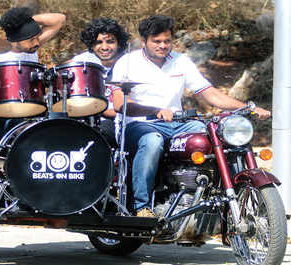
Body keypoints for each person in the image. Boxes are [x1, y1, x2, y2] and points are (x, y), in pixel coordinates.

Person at [111, 15, 271, 217]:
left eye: (167, 41)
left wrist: (249, 107)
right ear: (144, 42)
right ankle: (141, 206)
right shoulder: (127, 63)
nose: (163, 46)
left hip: (178, 124)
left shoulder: (181, 61)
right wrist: (154, 110)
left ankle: (219, 200)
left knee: (213, 137)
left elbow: (210, 94)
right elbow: (119, 104)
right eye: (156, 41)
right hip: (138, 125)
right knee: (152, 142)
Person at [0, 7, 66, 144]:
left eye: (37, 38)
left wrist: (25, 20)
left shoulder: (30, 47)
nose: (36, 43)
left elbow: (59, 19)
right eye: (31, 40)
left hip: (33, 109)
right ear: (14, 41)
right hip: (5, 114)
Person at [71, 17, 129, 147]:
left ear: (119, 43)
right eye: (98, 42)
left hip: (120, 121)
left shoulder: (130, 62)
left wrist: (99, 110)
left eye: (110, 41)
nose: (104, 47)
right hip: (86, 119)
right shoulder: (81, 61)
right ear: (91, 44)